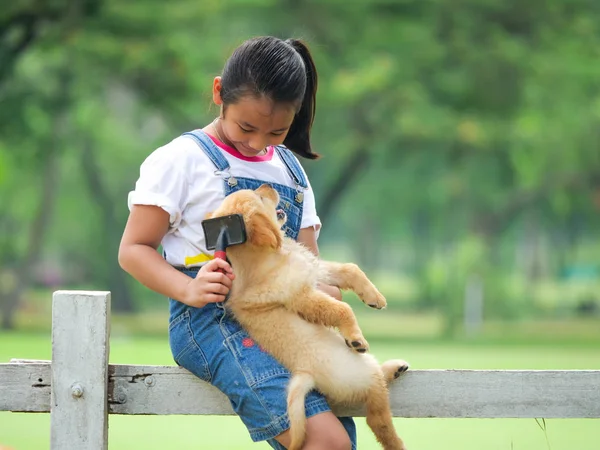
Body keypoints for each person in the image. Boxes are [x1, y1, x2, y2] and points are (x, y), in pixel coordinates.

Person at [118, 36, 356, 450]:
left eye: (277, 131)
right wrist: (188, 288)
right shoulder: (183, 160)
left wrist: (324, 292)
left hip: (286, 320)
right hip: (213, 321)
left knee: (342, 435)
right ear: (218, 94)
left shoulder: (291, 173)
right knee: (326, 443)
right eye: (246, 126)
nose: (258, 143)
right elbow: (133, 249)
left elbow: (307, 262)